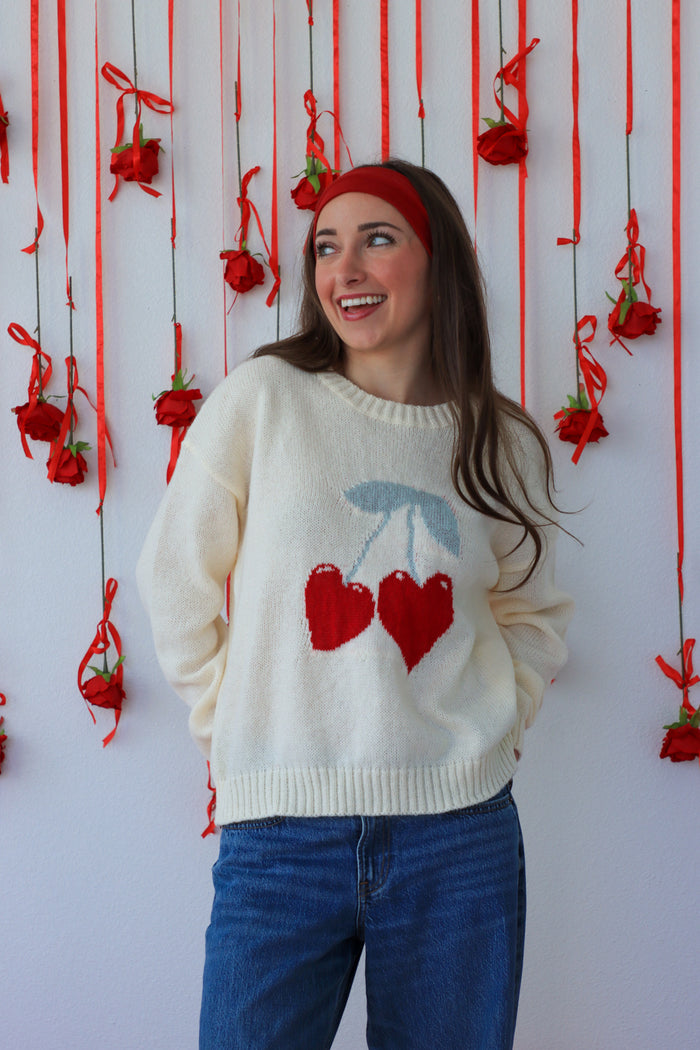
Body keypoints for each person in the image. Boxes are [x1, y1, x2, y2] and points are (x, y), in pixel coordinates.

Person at [137, 158, 574, 1050]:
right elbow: (174, 578)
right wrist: (236, 728)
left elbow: (533, 616)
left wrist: (501, 722)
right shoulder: (264, 400)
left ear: (437, 258)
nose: (346, 270)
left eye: (379, 238)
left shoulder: (505, 441)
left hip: (459, 838)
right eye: (327, 248)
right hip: (280, 838)